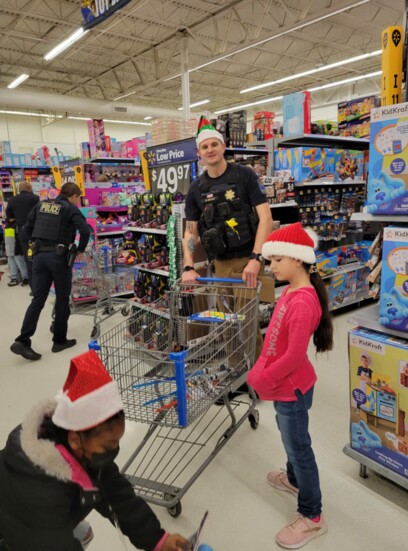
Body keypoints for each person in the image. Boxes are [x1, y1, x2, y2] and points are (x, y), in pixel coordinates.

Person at [0, 349, 188, 551]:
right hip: (18, 534)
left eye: (116, 442)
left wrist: (157, 540)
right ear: (75, 439)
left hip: (38, 527)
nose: (114, 450)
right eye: (108, 445)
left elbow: (118, 496)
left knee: (84, 533)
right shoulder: (39, 491)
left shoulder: (79, 448)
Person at [247, 222, 333, 549]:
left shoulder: (301, 301)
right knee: (290, 437)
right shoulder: (292, 291)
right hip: (289, 385)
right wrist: (262, 366)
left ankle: (312, 516)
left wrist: (262, 377)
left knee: (299, 446)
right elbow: (275, 341)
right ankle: (295, 481)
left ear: (297, 259)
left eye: (276, 260)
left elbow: (294, 356)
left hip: (291, 387)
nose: (272, 267)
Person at [183, 116, 273, 360]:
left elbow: (265, 218)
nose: (210, 150)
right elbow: (190, 232)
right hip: (221, 263)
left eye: (214, 144)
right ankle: (234, 371)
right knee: (225, 322)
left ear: (223, 146)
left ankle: (255, 375)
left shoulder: (244, 175)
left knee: (247, 321)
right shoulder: (196, 189)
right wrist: (188, 266)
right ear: (199, 153)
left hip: (247, 260)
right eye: (204, 146)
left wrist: (257, 258)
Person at [10, 182, 91, 361]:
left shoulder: (41, 205)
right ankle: (59, 340)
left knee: (37, 299)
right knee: (62, 299)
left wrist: (35, 245)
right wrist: (78, 249)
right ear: (74, 196)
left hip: (39, 258)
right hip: (58, 258)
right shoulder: (69, 208)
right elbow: (85, 230)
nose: (79, 201)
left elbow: (26, 230)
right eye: (79, 198)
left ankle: (23, 340)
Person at [5, 181, 40, 289]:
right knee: (39, 256)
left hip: (22, 231)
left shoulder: (12, 200)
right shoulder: (35, 198)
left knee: (28, 258)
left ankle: (33, 288)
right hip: (35, 230)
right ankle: (42, 284)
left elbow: (9, 217)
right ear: (29, 188)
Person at [3, 219, 28, 287]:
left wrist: (19, 248)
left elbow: (19, 238)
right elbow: (5, 239)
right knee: (12, 264)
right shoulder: (7, 226)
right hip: (9, 249)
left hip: (17, 249)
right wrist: (4, 248)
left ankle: (25, 277)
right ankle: (14, 278)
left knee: (20, 263)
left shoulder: (17, 225)